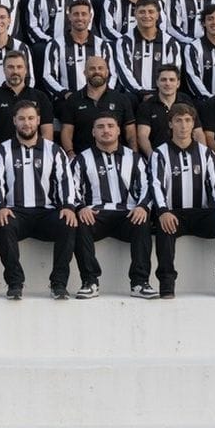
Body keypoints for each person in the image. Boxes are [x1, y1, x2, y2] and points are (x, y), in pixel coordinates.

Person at [149, 102, 215, 298]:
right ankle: (166, 283)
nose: (183, 125)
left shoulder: (205, 152)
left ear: (193, 124)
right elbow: (156, 185)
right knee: (163, 225)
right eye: (179, 121)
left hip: (200, 213)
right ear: (170, 124)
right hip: (173, 214)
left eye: (188, 121)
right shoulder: (160, 153)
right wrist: (163, 211)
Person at [0, 100, 79, 299]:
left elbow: (65, 181)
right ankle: (14, 283)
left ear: (38, 120)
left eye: (30, 118)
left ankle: (58, 284)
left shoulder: (54, 150)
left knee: (68, 223)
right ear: (14, 121)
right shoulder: (1, 151)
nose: (26, 123)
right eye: (21, 119)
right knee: (4, 224)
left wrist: (68, 206)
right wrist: (0, 207)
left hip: (46, 212)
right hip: (15, 211)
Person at [68, 113, 158, 299]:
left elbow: (147, 187)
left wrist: (142, 207)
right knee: (79, 223)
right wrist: (80, 207)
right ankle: (90, 281)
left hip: (128, 214)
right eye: (100, 127)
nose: (106, 130)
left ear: (118, 130)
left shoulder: (134, 158)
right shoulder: (82, 159)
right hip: (95, 214)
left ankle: (140, 283)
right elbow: (71, 189)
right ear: (93, 132)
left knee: (143, 222)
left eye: (110, 126)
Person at [56, 55, 134, 156]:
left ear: (107, 72)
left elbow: (131, 133)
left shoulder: (121, 99)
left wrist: (134, 155)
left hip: (117, 158)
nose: (97, 71)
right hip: (83, 159)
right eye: (92, 68)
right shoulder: (73, 100)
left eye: (100, 68)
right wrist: (70, 154)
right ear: (85, 73)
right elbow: (67, 131)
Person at [0, 51, 53, 155]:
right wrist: (6, 156)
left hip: (35, 157)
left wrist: (34, 154)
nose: (15, 71)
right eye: (11, 67)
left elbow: (47, 133)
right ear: (3, 70)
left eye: (19, 67)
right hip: (2, 158)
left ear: (26, 70)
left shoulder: (40, 97)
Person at [41, 0, 114, 101]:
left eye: (84, 14)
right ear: (69, 17)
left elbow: (112, 74)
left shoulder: (102, 45)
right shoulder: (55, 45)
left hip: (100, 99)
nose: (80, 18)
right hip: (68, 100)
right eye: (76, 14)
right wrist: (65, 94)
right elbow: (48, 76)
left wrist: (103, 94)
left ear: (90, 17)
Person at [115, 0, 182, 98]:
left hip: (162, 95)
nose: (147, 16)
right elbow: (124, 73)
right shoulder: (124, 42)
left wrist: (158, 95)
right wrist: (142, 93)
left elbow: (173, 73)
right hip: (135, 96)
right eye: (142, 12)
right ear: (135, 14)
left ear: (157, 15)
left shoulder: (170, 43)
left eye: (151, 12)